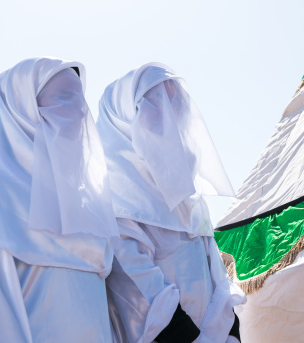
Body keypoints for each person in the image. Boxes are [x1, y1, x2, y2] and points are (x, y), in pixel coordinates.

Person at [0, 57, 120, 342]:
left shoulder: (82, 207)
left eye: (77, 104)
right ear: (18, 111)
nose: (74, 117)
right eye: (60, 100)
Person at [97, 62, 246, 343]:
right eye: (156, 106)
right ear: (123, 121)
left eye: (174, 103)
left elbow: (217, 277)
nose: (169, 115)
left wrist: (230, 335)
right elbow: (141, 296)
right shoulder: (116, 205)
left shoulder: (188, 201)